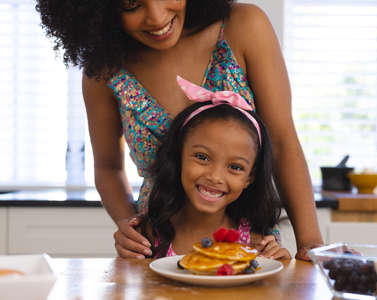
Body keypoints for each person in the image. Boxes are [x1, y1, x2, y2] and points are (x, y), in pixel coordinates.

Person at [36, 0, 323, 260]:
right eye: (131, 5)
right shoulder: (105, 72)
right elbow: (109, 168)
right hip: (160, 253)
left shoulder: (244, 27)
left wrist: (310, 243)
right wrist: (132, 230)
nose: (156, 17)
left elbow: (282, 143)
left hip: (251, 248)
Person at [142, 76, 289, 259]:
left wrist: (281, 270)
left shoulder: (255, 242)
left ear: (250, 177)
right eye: (202, 157)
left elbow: (266, 286)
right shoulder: (151, 235)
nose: (215, 176)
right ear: (179, 156)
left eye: (235, 167)